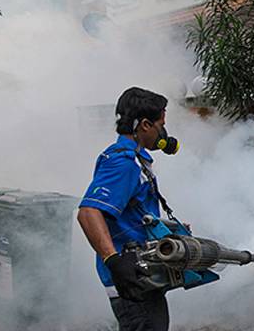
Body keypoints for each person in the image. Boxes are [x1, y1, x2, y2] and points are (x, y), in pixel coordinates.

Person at [77, 86, 179, 331]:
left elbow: (133, 216)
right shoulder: (123, 163)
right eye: (160, 125)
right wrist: (114, 261)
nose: (163, 133)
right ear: (145, 125)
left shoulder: (135, 160)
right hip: (132, 280)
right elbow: (88, 212)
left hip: (142, 276)